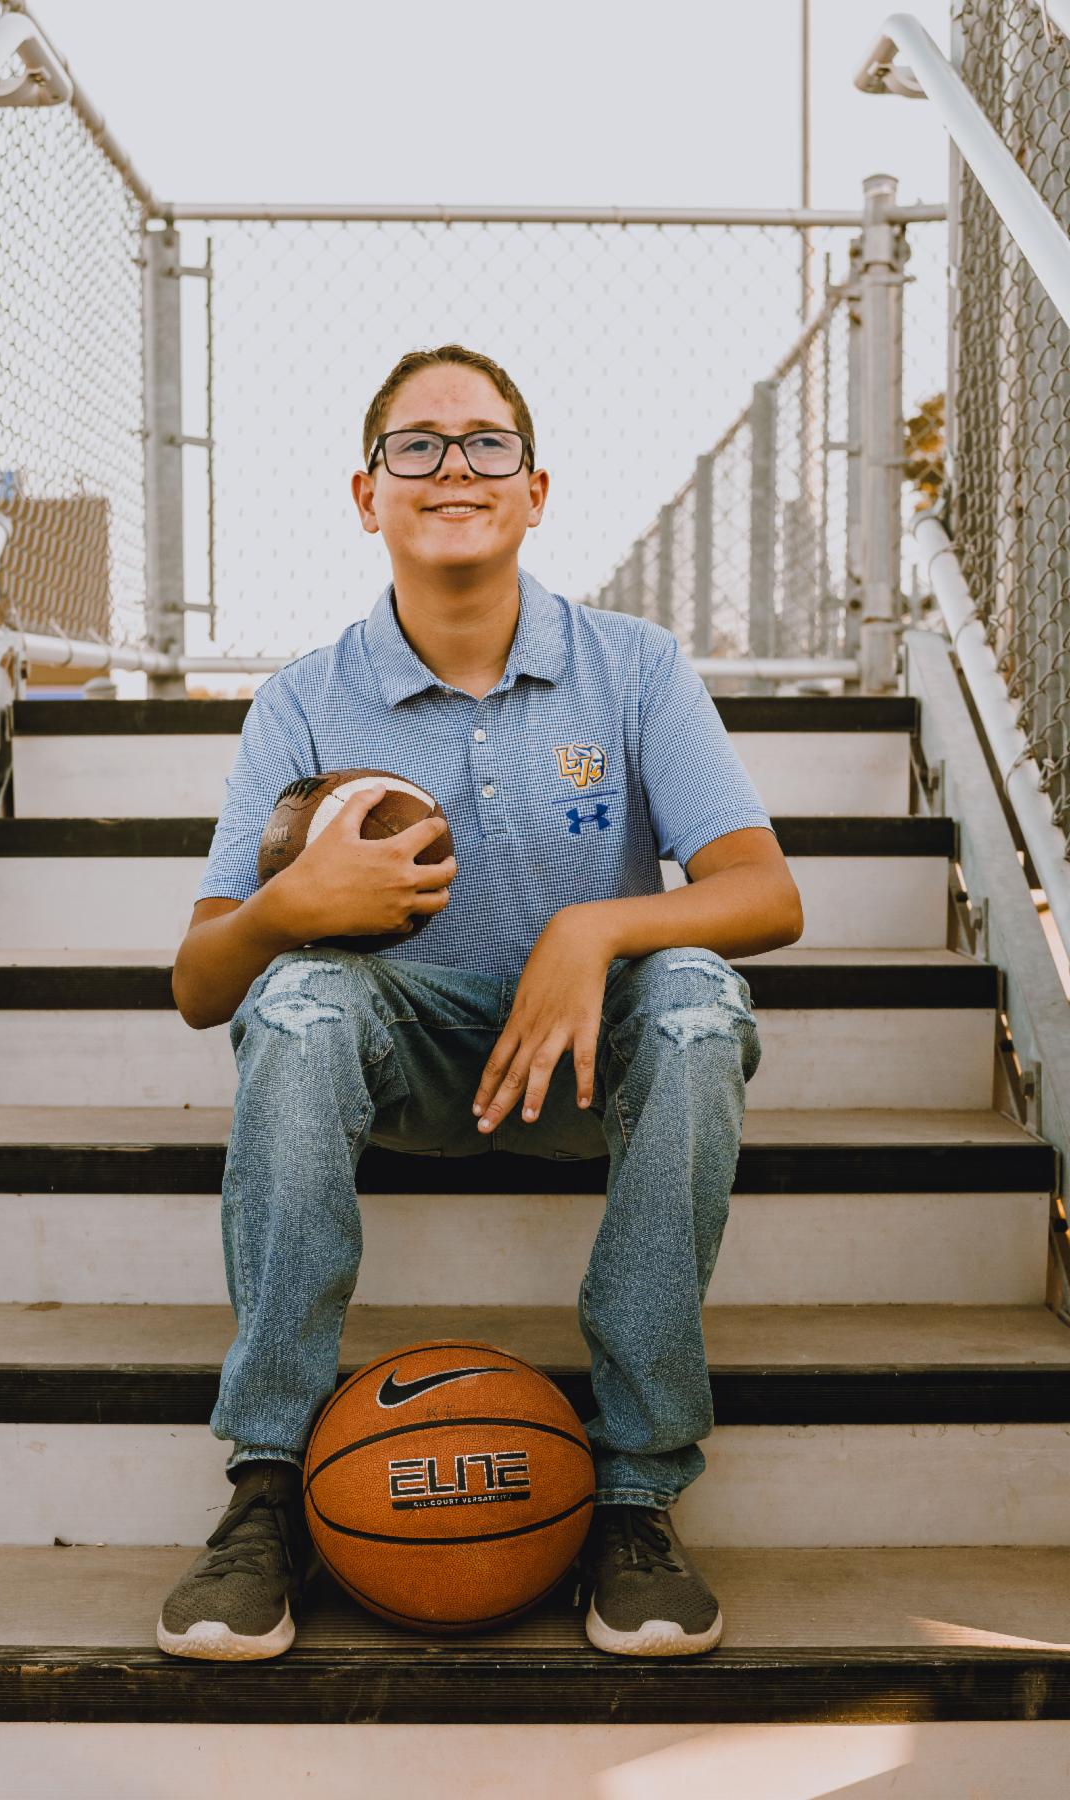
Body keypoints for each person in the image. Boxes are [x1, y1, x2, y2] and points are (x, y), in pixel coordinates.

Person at [158, 343, 803, 1662]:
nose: (454, 465)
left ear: (535, 488)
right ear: (367, 493)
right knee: (293, 1005)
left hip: (586, 1069)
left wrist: (596, 924)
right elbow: (198, 981)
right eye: (418, 444)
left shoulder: (630, 667)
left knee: (690, 995)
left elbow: (767, 893)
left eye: (486, 442)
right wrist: (293, 907)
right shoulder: (307, 698)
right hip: (401, 1069)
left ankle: (634, 1486)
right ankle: (268, 1481)